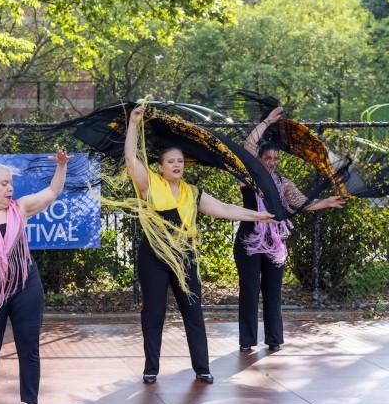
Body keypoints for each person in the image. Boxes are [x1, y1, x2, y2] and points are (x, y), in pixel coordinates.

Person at [125, 105, 275, 385]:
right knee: (154, 313)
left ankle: (202, 368)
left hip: (184, 257)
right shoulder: (149, 185)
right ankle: (151, 369)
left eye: (180, 160)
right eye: (170, 161)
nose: (176, 164)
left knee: (193, 312)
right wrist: (134, 123)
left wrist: (259, 215)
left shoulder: (193, 192)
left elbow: (225, 209)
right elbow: (131, 157)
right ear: (161, 166)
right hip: (154, 257)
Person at [0, 150, 72, 404]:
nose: (10, 188)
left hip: (26, 284)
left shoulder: (20, 208)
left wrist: (61, 165)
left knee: (29, 347)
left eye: (10, 183)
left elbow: (52, 191)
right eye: (3, 184)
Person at [236, 106, 346, 353]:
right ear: (259, 160)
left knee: (273, 291)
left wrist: (327, 202)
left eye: (275, 159)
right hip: (249, 241)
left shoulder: (283, 184)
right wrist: (266, 122)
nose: (272, 163)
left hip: (274, 244)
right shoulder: (248, 178)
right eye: (267, 159)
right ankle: (247, 341)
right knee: (250, 290)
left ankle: (274, 339)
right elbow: (248, 146)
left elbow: (302, 203)